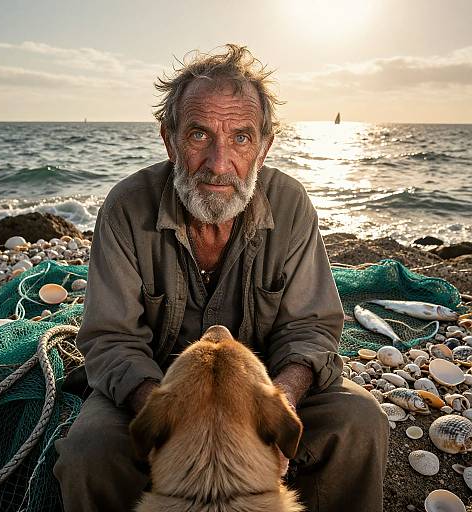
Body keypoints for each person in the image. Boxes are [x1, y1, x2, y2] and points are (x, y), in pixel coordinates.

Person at [53, 44, 389, 512]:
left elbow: (310, 327)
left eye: (241, 138)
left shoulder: (290, 205)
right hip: (158, 391)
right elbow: (110, 339)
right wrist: (166, 412)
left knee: (359, 422)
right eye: (198, 135)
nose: (218, 162)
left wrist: (281, 402)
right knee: (90, 452)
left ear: (264, 147)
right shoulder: (127, 208)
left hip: (263, 388)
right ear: (169, 140)